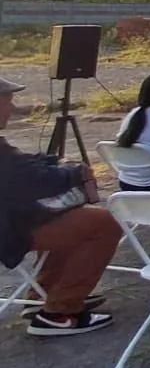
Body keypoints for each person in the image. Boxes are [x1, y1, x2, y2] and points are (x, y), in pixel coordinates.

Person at [0, 77, 120, 336]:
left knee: (71, 218)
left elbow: (22, 165)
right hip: (9, 229)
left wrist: (55, 162)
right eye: (7, 101)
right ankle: (59, 312)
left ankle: (44, 294)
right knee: (104, 223)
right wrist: (73, 172)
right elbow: (36, 182)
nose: (11, 107)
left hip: (12, 221)